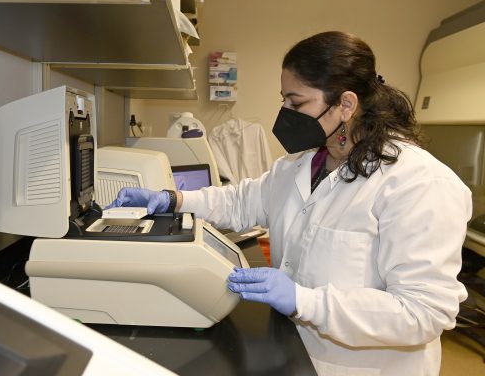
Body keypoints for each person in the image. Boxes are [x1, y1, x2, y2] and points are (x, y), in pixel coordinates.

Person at [106, 31, 472, 375]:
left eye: (297, 102)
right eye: (284, 100)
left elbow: (422, 313)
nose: (285, 113)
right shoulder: (300, 164)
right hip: (294, 350)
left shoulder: (420, 184)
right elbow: (240, 200)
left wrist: (305, 301)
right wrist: (173, 199)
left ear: (346, 104)